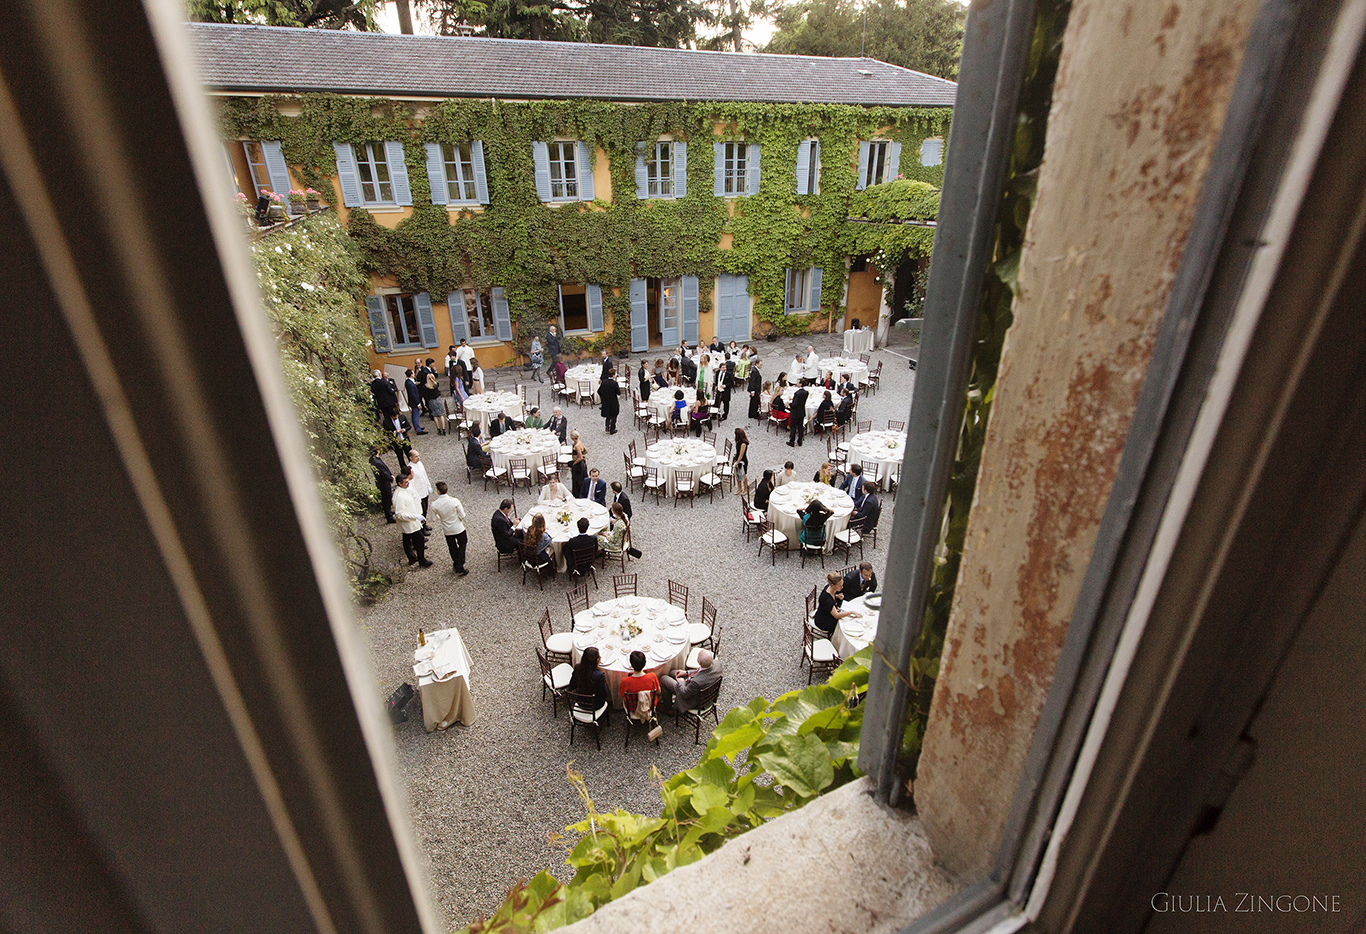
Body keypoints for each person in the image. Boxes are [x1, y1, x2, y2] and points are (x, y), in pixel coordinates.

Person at [660, 649, 722, 714]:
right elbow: (701, 671)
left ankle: (669, 709)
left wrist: (681, 682)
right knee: (672, 672)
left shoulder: (696, 682)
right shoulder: (717, 664)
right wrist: (686, 673)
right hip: (703, 690)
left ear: (699, 662)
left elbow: (684, 693)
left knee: (663, 679)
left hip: (694, 700)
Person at [393, 471, 432, 568]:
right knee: (419, 540)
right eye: (406, 482)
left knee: (406, 539)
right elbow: (399, 514)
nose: (408, 483)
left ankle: (412, 558)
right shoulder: (399, 496)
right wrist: (414, 516)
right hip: (409, 523)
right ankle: (421, 560)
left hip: (411, 520)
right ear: (399, 484)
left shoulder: (403, 491)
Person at [429, 481, 468, 575]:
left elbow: (433, 519)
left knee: (452, 547)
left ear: (437, 491)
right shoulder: (454, 501)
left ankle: (456, 563)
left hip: (447, 529)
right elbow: (462, 515)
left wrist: (440, 517)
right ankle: (459, 564)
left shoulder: (434, 504)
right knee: (462, 544)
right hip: (458, 528)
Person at [813, 571, 862, 636]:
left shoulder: (829, 588)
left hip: (827, 614)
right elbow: (836, 615)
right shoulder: (826, 599)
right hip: (824, 621)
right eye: (840, 586)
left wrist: (837, 596)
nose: (842, 587)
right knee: (846, 624)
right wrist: (851, 612)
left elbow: (831, 599)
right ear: (833, 585)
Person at [619, 650, 660, 722]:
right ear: (645, 663)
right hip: (649, 706)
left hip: (632, 708)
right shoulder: (652, 677)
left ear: (631, 665)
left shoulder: (625, 681)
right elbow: (658, 690)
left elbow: (622, 695)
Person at [569, 646, 609, 721]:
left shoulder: (577, 668)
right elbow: (605, 694)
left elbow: (572, 686)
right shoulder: (599, 675)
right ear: (596, 660)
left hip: (580, 701)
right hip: (596, 705)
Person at [370, 450, 395, 523]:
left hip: (383, 482)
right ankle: (389, 516)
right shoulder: (376, 462)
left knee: (388, 497)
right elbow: (383, 473)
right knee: (386, 498)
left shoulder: (375, 460)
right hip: (383, 483)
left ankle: (389, 511)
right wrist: (390, 478)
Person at [406, 449, 431, 517]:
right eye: (416, 456)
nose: (418, 458)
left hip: (424, 490)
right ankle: (422, 525)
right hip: (419, 493)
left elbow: (424, 475)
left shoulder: (420, 464)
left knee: (425, 508)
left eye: (418, 456)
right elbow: (412, 483)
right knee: (421, 510)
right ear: (410, 458)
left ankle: (424, 523)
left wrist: (428, 486)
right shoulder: (410, 468)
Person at [403, 368, 426, 435]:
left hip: (413, 401)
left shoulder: (409, 382)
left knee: (415, 415)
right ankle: (418, 429)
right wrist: (418, 404)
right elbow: (413, 394)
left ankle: (417, 427)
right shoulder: (409, 383)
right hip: (414, 402)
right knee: (415, 416)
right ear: (411, 374)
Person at [599, 365, 620, 434]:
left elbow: (599, 391)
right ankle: (612, 429)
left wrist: (603, 397)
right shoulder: (614, 383)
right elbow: (618, 392)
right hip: (613, 402)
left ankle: (607, 427)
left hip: (606, 402)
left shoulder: (604, 382)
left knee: (608, 415)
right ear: (613, 375)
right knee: (614, 416)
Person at [569, 429, 588, 494]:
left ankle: (577, 493)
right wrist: (582, 454)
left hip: (578, 464)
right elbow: (586, 450)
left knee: (577, 479)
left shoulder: (577, 446)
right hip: (581, 463)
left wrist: (574, 463)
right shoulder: (580, 442)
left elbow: (580, 458)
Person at [732, 427, 750, 494]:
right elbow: (738, 451)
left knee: (743, 475)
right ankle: (739, 488)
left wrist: (737, 462)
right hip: (738, 459)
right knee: (737, 475)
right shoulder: (738, 441)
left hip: (742, 461)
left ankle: (745, 489)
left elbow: (741, 454)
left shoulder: (743, 444)